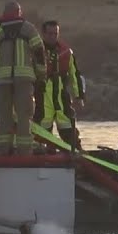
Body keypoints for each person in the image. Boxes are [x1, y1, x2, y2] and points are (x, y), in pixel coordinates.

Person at [0, 1, 46, 156]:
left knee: (4, 117)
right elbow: (40, 53)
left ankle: (3, 150)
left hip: (1, 80)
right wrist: (41, 76)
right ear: (18, 12)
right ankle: (24, 152)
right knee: (24, 116)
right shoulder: (29, 28)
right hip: (24, 79)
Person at [36, 20, 86, 151]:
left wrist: (79, 96)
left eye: (55, 33)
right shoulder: (35, 51)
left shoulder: (66, 53)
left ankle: (77, 155)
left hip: (61, 99)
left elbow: (75, 75)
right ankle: (44, 154)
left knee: (70, 133)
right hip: (41, 99)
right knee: (40, 134)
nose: (52, 36)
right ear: (43, 34)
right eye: (49, 33)